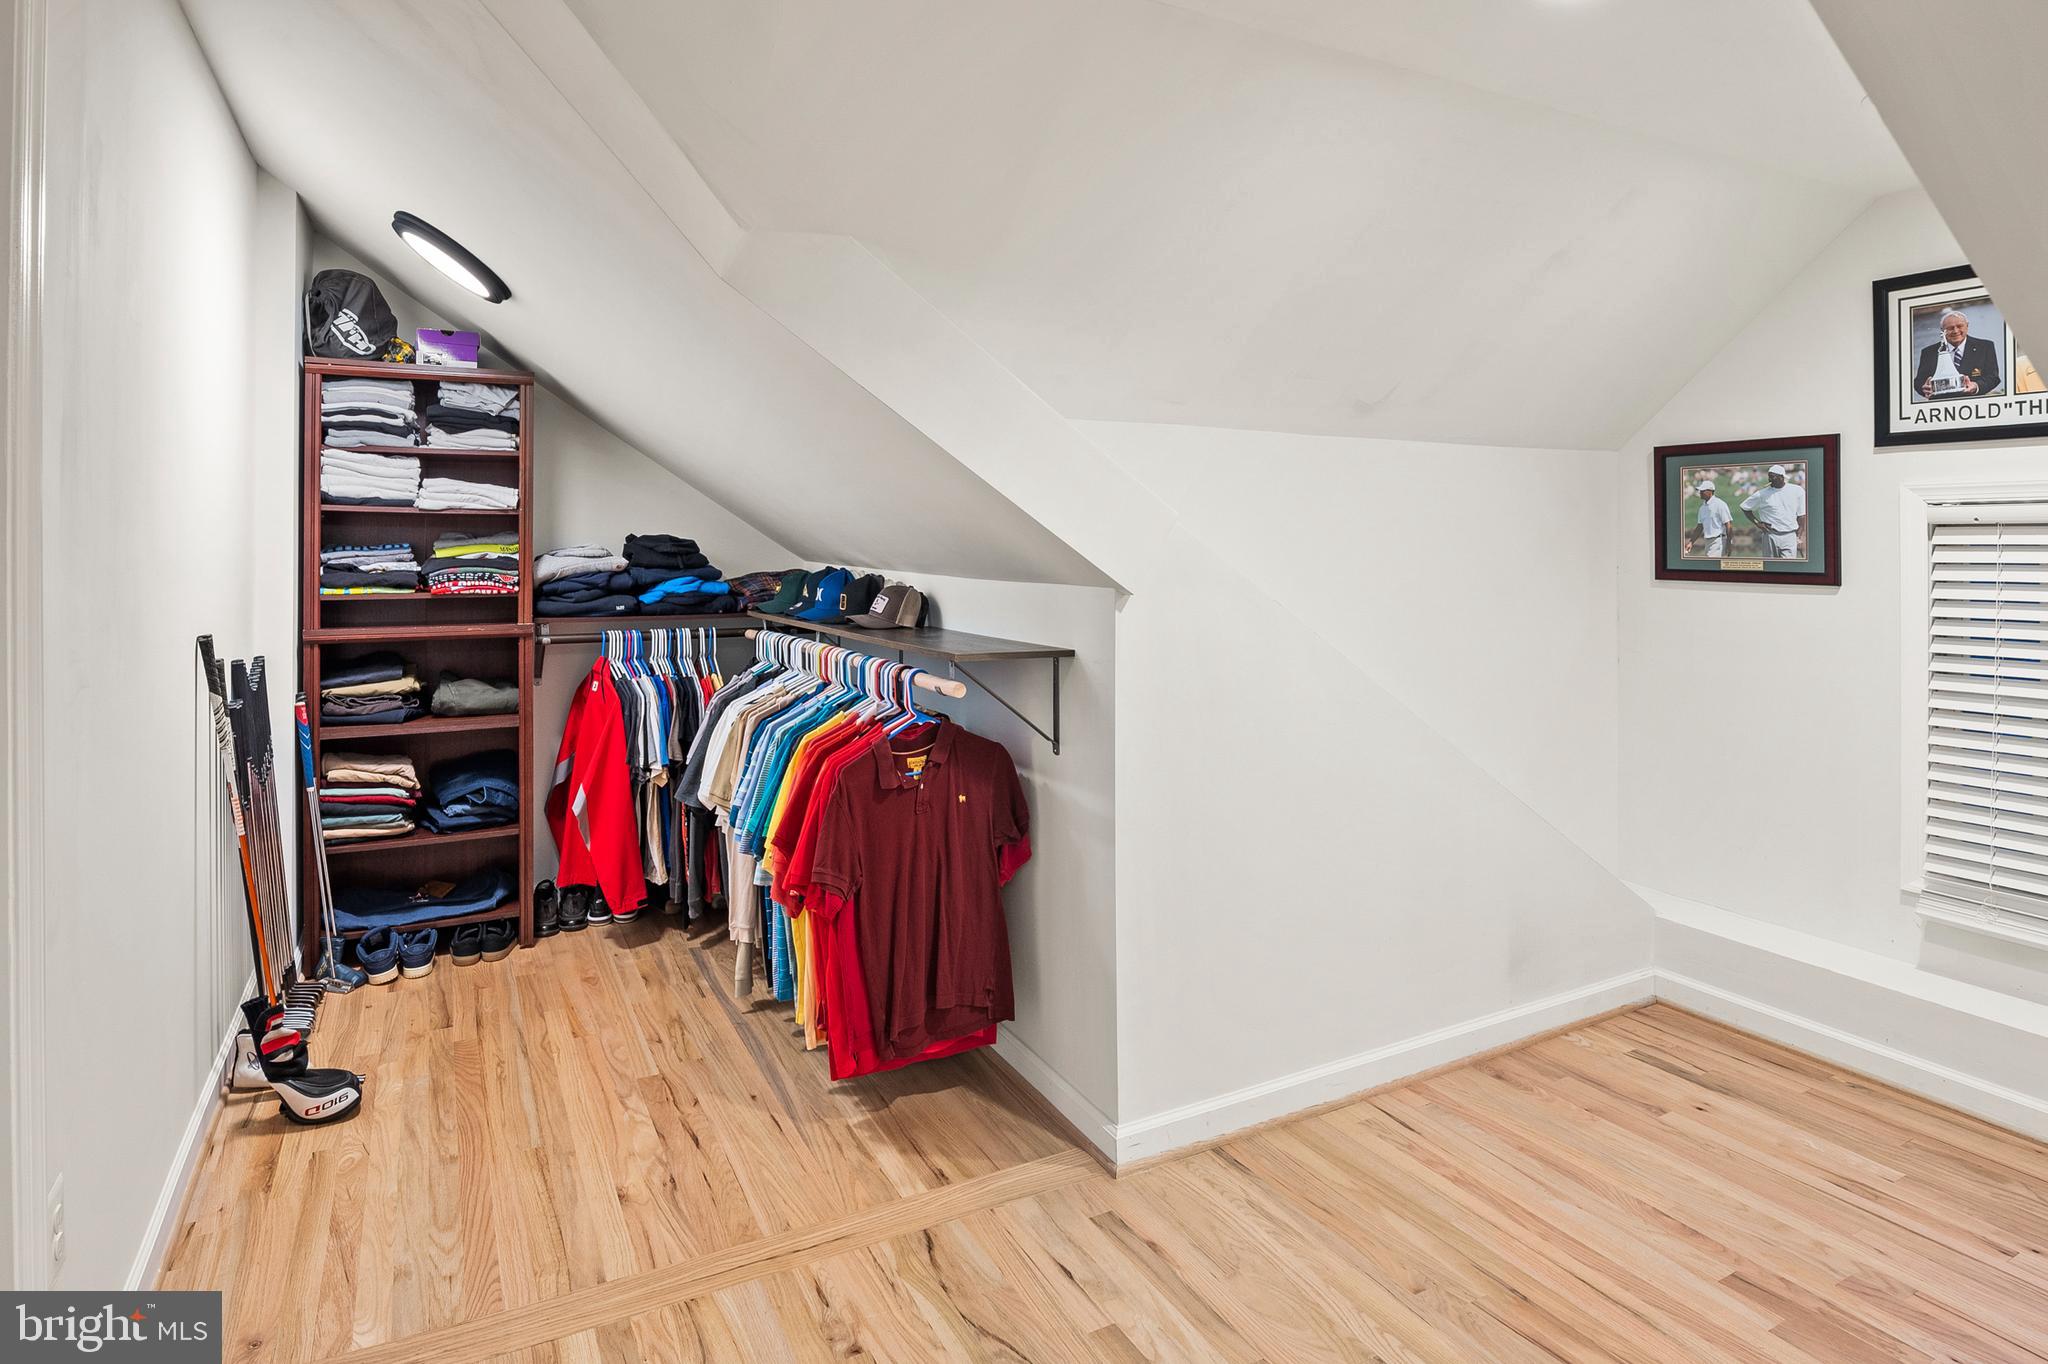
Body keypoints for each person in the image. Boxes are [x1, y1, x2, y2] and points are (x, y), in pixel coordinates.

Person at [1915, 309, 2002, 400]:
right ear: (1942, 331)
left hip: (1975, 403)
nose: (1955, 331)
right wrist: (1924, 388)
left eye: (1959, 326)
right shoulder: (1928, 352)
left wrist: (1976, 386)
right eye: (1950, 328)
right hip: (1941, 405)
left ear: (1967, 326)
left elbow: (1993, 377)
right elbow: (1918, 382)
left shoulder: (1985, 347)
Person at [1740, 464, 1806, 559]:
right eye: (1769, 476)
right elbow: (1745, 507)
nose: (1769, 480)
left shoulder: (1797, 491)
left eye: (1772, 477)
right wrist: (1757, 523)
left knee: (1789, 569)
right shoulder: (1762, 494)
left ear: (1781, 477)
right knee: (1770, 568)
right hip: (1770, 535)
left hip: (1790, 536)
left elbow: (1801, 515)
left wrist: (1798, 537)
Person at [1685, 479, 1733, 558]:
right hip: (1708, 542)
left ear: (1710, 491)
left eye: (1702, 491)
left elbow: (1728, 524)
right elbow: (1700, 527)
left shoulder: (1720, 504)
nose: (1700, 492)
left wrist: (1729, 543)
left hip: (1719, 541)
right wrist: (1691, 542)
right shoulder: (1702, 508)